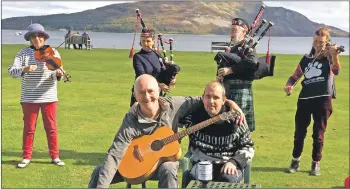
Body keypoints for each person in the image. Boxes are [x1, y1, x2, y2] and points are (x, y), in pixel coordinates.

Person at [88, 74, 245, 188]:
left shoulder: (174, 105)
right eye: (141, 92)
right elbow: (115, 153)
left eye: (150, 91)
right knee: (99, 172)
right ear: (135, 95)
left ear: (158, 91)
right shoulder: (131, 119)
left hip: (163, 163)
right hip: (135, 164)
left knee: (169, 168)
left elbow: (207, 98)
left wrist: (231, 103)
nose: (147, 97)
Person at [284, 27, 341, 176]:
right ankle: (295, 161)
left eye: (321, 42)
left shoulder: (329, 57)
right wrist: (289, 85)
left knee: (318, 134)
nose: (318, 45)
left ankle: (316, 163)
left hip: (323, 100)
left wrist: (334, 55)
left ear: (327, 42)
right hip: (305, 99)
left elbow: (336, 70)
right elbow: (295, 76)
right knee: (299, 132)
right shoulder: (306, 59)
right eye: (315, 41)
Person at [8, 23, 65, 168]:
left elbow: (60, 73)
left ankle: (55, 156)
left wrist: (59, 74)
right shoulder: (23, 53)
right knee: (29, 128)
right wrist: (25, 68)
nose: (37, 39)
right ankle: (26, 157)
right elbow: (11, 71)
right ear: (30, 39)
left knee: (51, 127)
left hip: (49, 96)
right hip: (29, 97)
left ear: (44, 37)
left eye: (40, 36)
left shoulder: (54, 53)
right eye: (34, 36)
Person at [179, 81, 254, 185]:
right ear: (203, 98)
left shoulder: (237, 118)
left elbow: (248, 147)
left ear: (224, 100)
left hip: (228, 163)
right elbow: (171, 120)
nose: (211, 101)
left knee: (227, 180)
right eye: (208, 96)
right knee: (196, 182)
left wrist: (234, 162)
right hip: (202, 163)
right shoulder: (192, 116)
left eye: (216, 97)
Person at [216, 17, 258, 132]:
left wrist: (231, 70)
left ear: (244, 32)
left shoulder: (248, 47)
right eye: (232, 30)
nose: (232, 32)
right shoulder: (232, 48)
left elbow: (252, 62)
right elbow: (222, 66)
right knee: (227, 125)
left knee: (239, 126)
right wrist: (218, 77)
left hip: (241, 90)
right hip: (227, 89)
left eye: (235, 29)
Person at [130, 28, 176, 107]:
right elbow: (142, 76)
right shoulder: (137, 57)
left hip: (156, 94)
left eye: (148, 41)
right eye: (143, 41)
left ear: (153, 42)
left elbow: (163, 71)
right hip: (141, 95)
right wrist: (159, 85)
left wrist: (171, 79)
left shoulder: (157, 54)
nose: (145, 43)